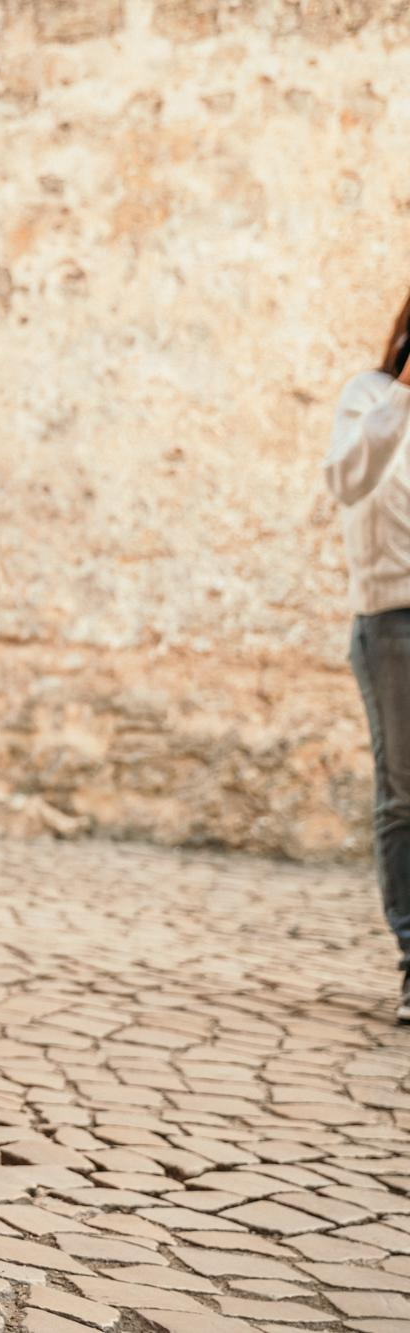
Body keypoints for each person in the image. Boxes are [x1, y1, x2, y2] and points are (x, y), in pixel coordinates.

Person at [325, 293, 410, 1024]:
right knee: (405, 796)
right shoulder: (370, 398)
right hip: (394, 623)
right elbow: (348, 481)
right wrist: (403, 398)